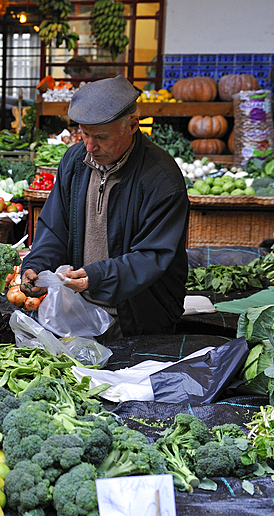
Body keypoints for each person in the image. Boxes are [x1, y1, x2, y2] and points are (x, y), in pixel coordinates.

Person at [20, 76, 189, 338]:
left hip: (139, 318)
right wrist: (36, 265)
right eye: (84, 134)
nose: (90, 146)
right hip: (80, 311)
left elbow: (153, 256)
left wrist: (97, 276)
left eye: (100, 137)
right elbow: (55, 228)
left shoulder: (161, 179)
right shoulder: (75, 161)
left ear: (133, 125)